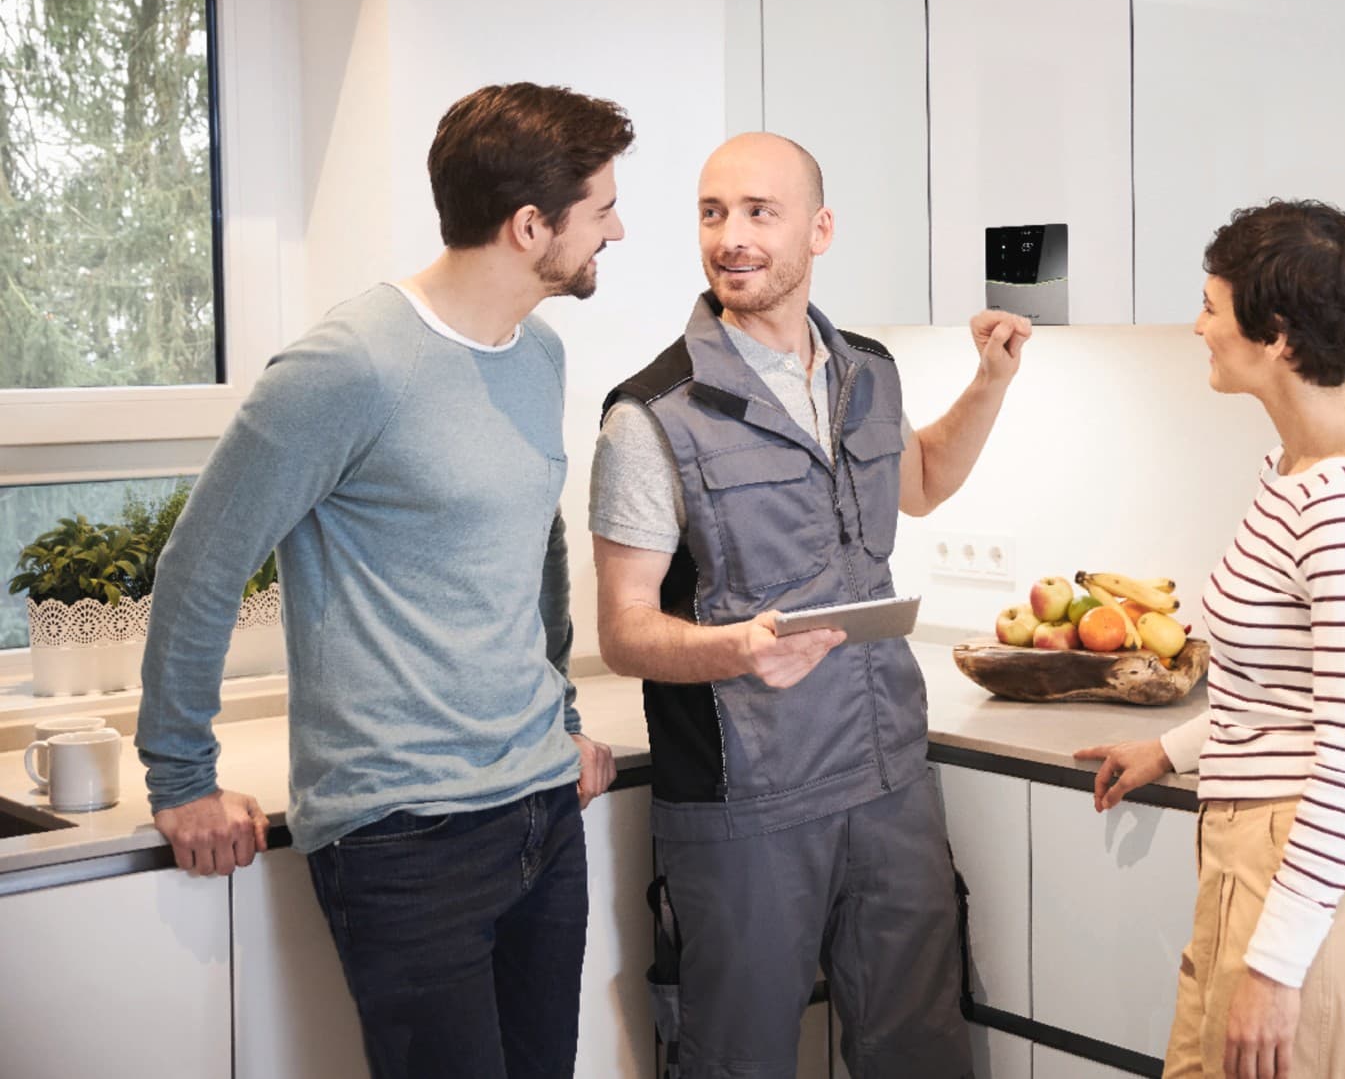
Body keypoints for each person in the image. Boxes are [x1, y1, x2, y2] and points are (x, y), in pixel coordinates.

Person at [135, 82, 633, 1079]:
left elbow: (529, 555)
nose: (617, 229)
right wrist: (180, 777)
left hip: (540, 811)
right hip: (405, 837)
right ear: (530, 225)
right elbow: (203, 562)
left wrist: (562, 714)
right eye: (603, 208)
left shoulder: (535, 352)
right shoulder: (348, 365)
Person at [590, 131, 1031, 1079]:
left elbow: (920, 481)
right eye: (713, 213)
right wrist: (737, 650)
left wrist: (991, 383)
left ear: (819, 229)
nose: (731, 237)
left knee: (918, 1055)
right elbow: (624, 629)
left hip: (888, 782)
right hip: (748, 806)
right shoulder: (651, 415)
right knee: (735, 1061)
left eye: (758, 212)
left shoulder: (867, 372)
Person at [1075, 200, 1345, 1079]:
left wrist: (1276, 970)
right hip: (1255, 863)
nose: (1198, 326)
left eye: (1211, 304)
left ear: (1275, 333)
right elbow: (1278, 690)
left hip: (1316, 895)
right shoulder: (1293, 472)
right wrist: (1172, 746)